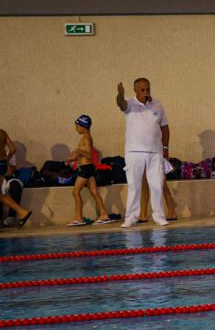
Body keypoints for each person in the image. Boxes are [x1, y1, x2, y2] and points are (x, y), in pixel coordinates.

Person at [116, 78, 170, 228]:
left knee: (157, 185)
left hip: (155, 152)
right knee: (134, 185)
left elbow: (165, 128)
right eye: (142, 90)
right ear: (136, 90)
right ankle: (131, 217)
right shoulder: (130, 104)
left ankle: (158, 215)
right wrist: (120, 95)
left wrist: (165, 148)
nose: (146, 92)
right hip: (134, 152)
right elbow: (121, 104)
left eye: (148, 89)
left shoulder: (157, 105)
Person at [65, 115, 112, 226]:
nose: (76, 129)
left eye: (77, 126)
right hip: (88, 167)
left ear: (83, 126)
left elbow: (89, 155)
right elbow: (85, 155)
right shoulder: (87, 138)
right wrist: (73, 158)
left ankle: (78, 218)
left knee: (75, 192)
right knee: (94, 192)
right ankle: (104, 215)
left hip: (85, 169)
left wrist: (78, 151)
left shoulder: (86, 138)